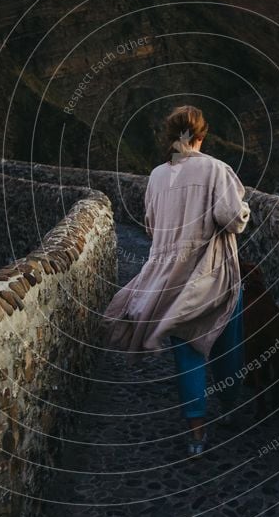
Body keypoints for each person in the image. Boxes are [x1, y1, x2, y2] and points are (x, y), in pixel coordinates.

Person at [102, 105, 251, 457]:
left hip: (171, 278)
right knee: (228, 347)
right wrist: (244, 211)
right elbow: (231, 219)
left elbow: (153, 225)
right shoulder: (217, 169)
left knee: (187, 353)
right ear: (201, 135)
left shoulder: (156, 176)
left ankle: (196, 436)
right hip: (215, 275)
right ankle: (230, 408)